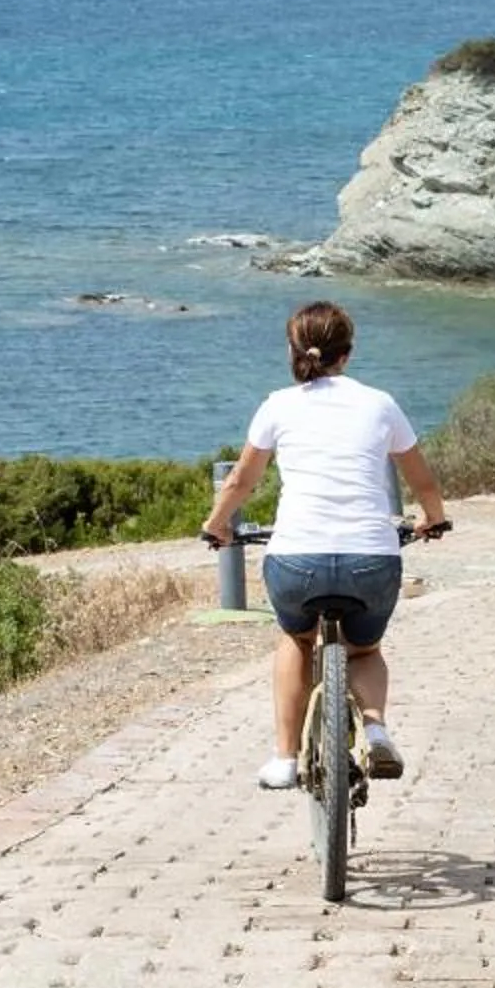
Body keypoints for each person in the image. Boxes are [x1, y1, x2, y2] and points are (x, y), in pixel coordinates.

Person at [203, 301, 451, 791]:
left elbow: (240, 481)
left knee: (298, 640)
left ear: (294, 351)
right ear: (348, 353)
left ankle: (284, 759)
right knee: (364, 650)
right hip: (371, 559)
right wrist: (434, 518)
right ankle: (376, 728)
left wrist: (217, 526)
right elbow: (421, 478)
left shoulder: (277, 404)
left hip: (298, 559)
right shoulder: (380, 403)